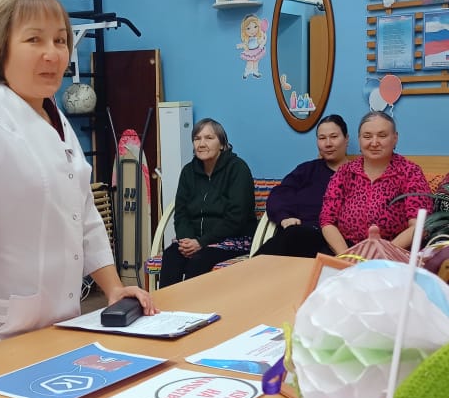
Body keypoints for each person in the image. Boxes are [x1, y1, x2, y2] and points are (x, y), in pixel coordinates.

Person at [0, 0, 156, 379]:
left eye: (60, 40)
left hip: (61, 322)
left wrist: (114, 288)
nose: (53, 53)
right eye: (34, 39)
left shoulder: (56, 117)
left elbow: (83, 215)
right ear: (0, 47)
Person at [158, 118, 256, 287]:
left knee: (198, 261)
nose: (202, 144)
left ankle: (192, 304)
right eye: (197, 139)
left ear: (222, 144)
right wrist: (187, 240)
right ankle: (163, 304)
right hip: (194, 240)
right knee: (171, 256)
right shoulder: (188, 172)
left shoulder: (238, 169)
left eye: (209, 138)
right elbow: (181, 213)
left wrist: (202, 242)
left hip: (230, 240)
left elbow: (236, 217)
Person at [320, 110, 432, 253]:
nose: (374, 143)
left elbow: (420, 225)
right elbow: (327, 220)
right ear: (359, 139)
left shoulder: (410, 172)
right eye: (367, 136)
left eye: (382, 136)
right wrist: (347, 256)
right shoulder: (345, 172)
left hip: (395, 252)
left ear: (395, 138)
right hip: (348, 250)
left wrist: (381, 253)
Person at [255, 114, 349, 258]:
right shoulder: (307, 170)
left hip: (332, 240)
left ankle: (251, 268)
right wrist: (284, 217)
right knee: (292, 235)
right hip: (297, 234)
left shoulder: (356, 175)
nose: (328, 143)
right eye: (322, 138)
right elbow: (279, 195)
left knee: (293, 236)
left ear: (346, 139)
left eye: (334, 137)